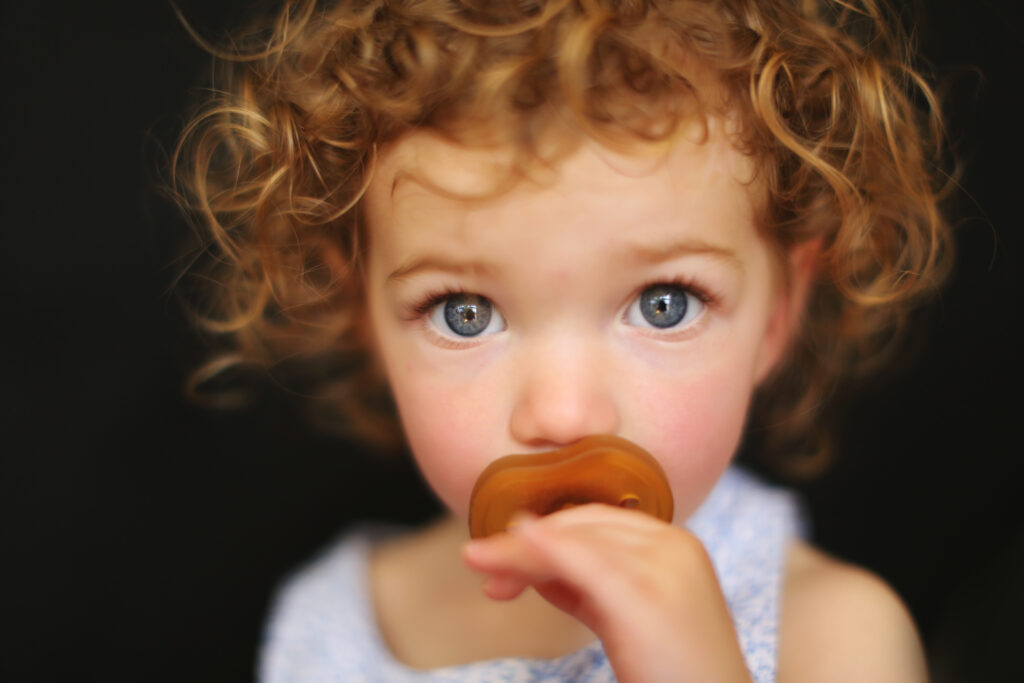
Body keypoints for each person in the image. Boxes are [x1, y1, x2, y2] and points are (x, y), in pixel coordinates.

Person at [172, 1, 952, 680]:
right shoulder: (334, 627)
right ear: (363, 318)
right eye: (464, 312)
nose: (566, 412)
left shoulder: (835, 634)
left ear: (778, 314)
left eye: (664, 302)